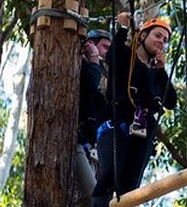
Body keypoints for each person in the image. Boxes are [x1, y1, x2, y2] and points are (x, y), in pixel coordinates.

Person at [91, 13, 177, 206]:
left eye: (164, 40)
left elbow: (170, 101)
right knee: (109, 176)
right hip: (116, 122)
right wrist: (122, 28)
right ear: (143, 36)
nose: (161, 42)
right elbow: (111, 59)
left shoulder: (156, 72)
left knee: (130, 187)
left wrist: (162, 71)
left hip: (142, 132)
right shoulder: (126, 57)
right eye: (157, 36)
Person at [72, 29, 112, 207]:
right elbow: (90, 83)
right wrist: (94, 60)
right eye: (104, 47)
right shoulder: (79, 64)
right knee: (95, 199)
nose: (106, 53)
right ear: (90, 45)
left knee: (86, 202)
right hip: (75, 143)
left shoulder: (101, 77)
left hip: (92, 149)